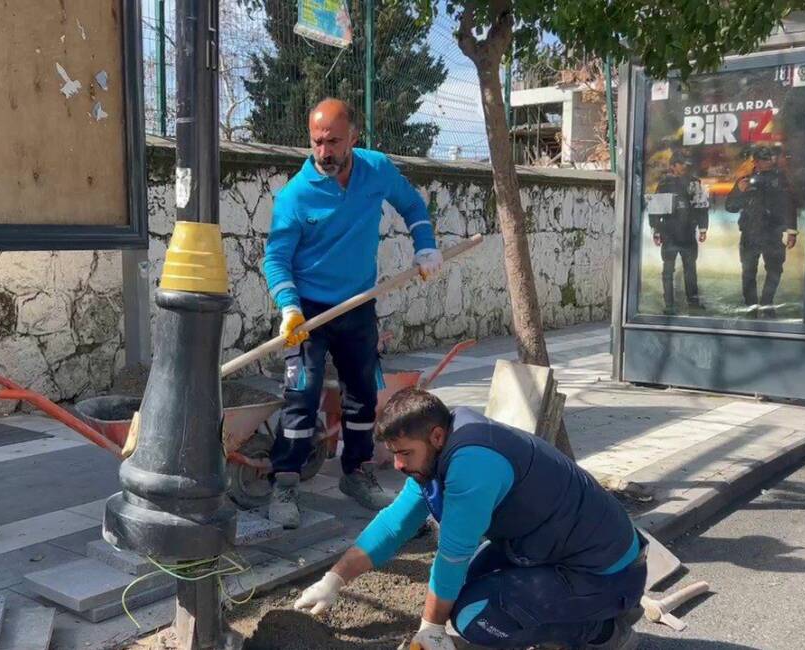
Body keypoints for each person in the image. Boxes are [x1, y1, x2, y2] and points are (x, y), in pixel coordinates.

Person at [293, 388, 646, 650]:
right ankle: (584, 611)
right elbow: (392, 525)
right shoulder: (437, 454)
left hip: (604, 571)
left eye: (404, 453)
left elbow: (453, 554)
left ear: (435, 436)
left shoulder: (473, 464)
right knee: (461, 595)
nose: (398, 465)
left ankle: (600, 632)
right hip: (552, 549)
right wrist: (333, 580)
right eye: (394, 454)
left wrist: (430, 629)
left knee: (474, 619)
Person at [262, 98, 443, 528]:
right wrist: (288, 308)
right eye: (317, 141)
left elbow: (413, 207)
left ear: (354, 138)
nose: (324, 151)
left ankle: (356, 472)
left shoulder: (376, 170)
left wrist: (426, 245)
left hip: (358, 304)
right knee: (301, 394)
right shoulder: (296, 195)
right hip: (306, 312)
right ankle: (285, 481)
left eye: (334, 141)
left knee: (362, 394)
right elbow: (276, 258)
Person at [725, 146, 797, 317]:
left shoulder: (779, 179)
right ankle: (751, 307)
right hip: (750, 233)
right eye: (764, 159)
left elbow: (789, 204)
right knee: (749, 272)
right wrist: (739, 192)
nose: (769, 162)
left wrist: (792, 231)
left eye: (769, 158)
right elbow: (730, 207)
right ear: (755, 162)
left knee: (775, 269)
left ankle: (767, 303)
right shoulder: (745, 180)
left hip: (773, 232)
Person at [649, 150, 709, 314]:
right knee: (668, 271)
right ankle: (669, 305)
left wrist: (703, 228)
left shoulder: (694, 183)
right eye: (680, 163)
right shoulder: (664, 184)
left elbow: (701, 207)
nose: (684, 166)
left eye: (685, 164)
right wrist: (656, 230)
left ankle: (693, 302)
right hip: (669, 235)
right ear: (673, 166)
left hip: (688, 234)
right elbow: (656, 210)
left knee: (690, 270)